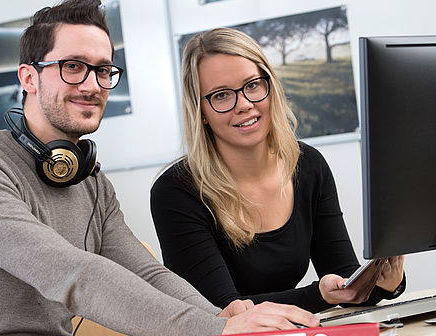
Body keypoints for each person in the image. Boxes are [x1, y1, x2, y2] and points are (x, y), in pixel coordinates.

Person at [0, 2, 321, 335]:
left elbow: (149, 274)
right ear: (28, 77)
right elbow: (69, 272)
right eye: (73, 66)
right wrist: (213, 329)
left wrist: (219, 314)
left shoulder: (92, 183)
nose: (92, 84)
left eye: (103, 70)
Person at [150, 27, 406, 314]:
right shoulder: (175, 191)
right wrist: (319, 295)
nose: (244, 105)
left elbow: (344, 283)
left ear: (270, 86)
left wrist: (384, 283)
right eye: (221, 95)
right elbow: (222, 310)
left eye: (252, 85)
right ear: (201, 112)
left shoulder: (308, 164)